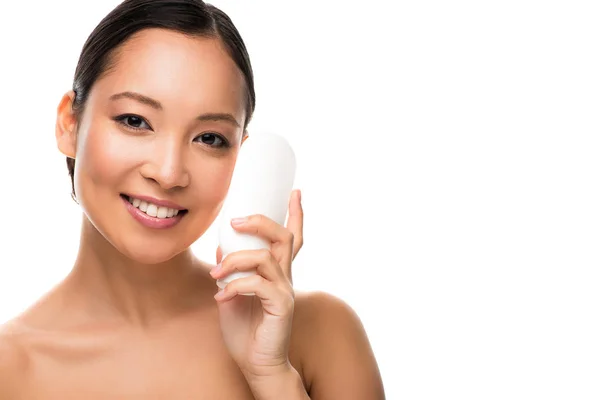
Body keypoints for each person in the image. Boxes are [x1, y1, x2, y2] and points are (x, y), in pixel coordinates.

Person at [0, 0, 385, 398]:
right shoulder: (10, 371)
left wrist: (270, 374)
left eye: (210, 139)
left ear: (242, 157)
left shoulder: (320, 332)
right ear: (69, 124)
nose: (168, 173)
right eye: (135, 121)